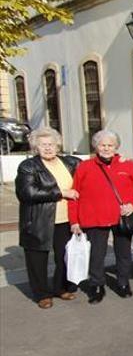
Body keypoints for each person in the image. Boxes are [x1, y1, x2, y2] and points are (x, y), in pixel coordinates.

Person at [69, 130, 133, 304]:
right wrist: (74, 220)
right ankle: (96, 285)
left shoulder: (128, 165)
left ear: (116, 147)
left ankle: (123, 282)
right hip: (94, 217)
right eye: (103, 145)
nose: (106, 148)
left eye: (110, 145)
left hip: (121, 217)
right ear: (96, 146)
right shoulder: (85, 166)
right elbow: (74, 194)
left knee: (123, 253)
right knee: (96, 254)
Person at [15, 127, 80, 308]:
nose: (48, 148)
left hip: (65, 219)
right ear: (36, 147)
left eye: (51, 144)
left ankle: (60, 288)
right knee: (37, 259)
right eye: (43, 145)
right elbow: (27, 192)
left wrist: (116, 159)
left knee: (64, 256)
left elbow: (92, 172)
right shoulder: (28, 166)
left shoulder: (70, 162)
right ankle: (42, 294)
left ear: (57, 145)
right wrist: (61, 193)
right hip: (38, 220)